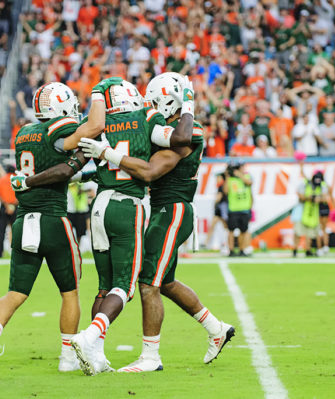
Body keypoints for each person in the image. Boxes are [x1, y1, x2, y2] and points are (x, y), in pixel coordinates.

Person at [12, 76, 197, 375]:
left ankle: (94, 353)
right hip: (127, 206)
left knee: (103, 287)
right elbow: (179, 139)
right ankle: (89, 337)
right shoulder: (146, 117)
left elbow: (76, 163)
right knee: (125, 286)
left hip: (98, 206)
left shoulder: (98, 122)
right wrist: (187, 103)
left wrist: (36, 180)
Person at [87, 72, 234, 373]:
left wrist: (109, 153)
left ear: (168, 101)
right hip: (162, 211)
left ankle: (151, 357)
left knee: (147, 283)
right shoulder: (168, 128)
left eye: (153, 102)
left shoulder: (188, 134)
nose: (148, 109)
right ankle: (216, 328)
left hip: (173, 210)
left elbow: (151, 171)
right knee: (164, 282)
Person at [0, 79, 110, 375]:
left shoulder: (24, 133)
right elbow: (90, 130)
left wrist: (79, 172)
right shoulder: (58, 129)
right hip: (53, 219)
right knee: (70, 292)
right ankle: (67, 358)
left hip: (24, 220)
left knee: (16, 292)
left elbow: (49, 170)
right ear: (60, 106)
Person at [223, 161, 253, 257]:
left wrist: (239, 175)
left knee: (243, 231)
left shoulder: (247, 177)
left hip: (245, 209)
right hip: (233, 209)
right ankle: (231, 250)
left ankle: (242, 250)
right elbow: (225, 191)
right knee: (231, 230)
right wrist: (227, 177)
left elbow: (249, 182)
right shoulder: (230, 180)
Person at [293, 171, 325, 257]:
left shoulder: (321, 186)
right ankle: (295, 250)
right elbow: (300, 195)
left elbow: (325, 197)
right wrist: (309, 198)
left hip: (312, 213)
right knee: (298, 232)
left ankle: (308, 250)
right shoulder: (305, 184)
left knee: (310, 233)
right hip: (301, 211)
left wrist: (319, 198)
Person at [0, 162, 18, 258]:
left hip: (4, 207)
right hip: (15, 207)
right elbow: (22, 194)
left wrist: (6, 205)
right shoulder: (17, 180)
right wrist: (14, 203)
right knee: (17, 231)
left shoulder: (0, 180)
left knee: (1, 231)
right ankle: (18, 253)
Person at [204, 173, 228, 253]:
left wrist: (215, 203)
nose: (217, 179)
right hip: (220, 209)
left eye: (218, 177)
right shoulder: (222, 186)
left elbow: (219, 198)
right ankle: (207, 243)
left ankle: (208, 243)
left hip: (221, 209)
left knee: (223, 227)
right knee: (218, 226)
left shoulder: (221, 187)